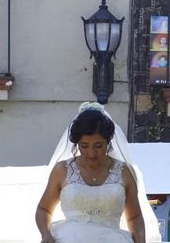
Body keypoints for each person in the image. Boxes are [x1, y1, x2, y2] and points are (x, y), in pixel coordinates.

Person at [36, 102, 156, 243]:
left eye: (98, 146)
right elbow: (44, 209)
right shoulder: (62, 170)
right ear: (77, 144)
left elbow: (134, 216)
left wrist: (140, 240)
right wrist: (45, 234)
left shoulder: (124, 172)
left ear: (108, 142)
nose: (91, 153)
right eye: (84, 146)